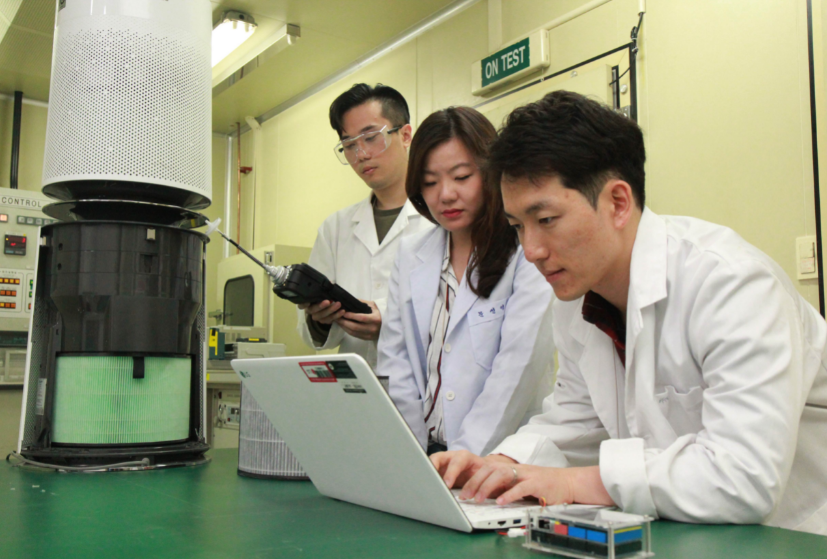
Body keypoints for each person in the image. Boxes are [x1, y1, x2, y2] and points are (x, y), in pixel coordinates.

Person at [431, 91, 827, 534]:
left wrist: (573, 483)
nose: (532, 251)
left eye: (545, 220)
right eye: (517, 226)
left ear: (618, 202)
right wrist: (501, 466)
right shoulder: (578, 295)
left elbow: (744, 476)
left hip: (799, 533)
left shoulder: (732, 285)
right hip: (694, 533)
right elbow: (575, 419)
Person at [377, 107, 555, 457]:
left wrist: (462, 457)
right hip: (423, 453)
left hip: (499, 457)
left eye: (461, 177)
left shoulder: (526, 253)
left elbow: (516, 371)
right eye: (430, 182)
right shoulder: (411, 253)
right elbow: (396, 361)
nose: (445, 194)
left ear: (491, 175)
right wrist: (416, 457)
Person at [297, 84, 434, 368]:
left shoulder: (440, 216)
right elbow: (311, 334)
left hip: (427, 391)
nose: (361, 154)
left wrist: (389, 319)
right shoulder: (335, 229)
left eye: (371, 137)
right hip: (356, 390)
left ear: (405, 135)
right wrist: (320, 320)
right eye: (349, 145)